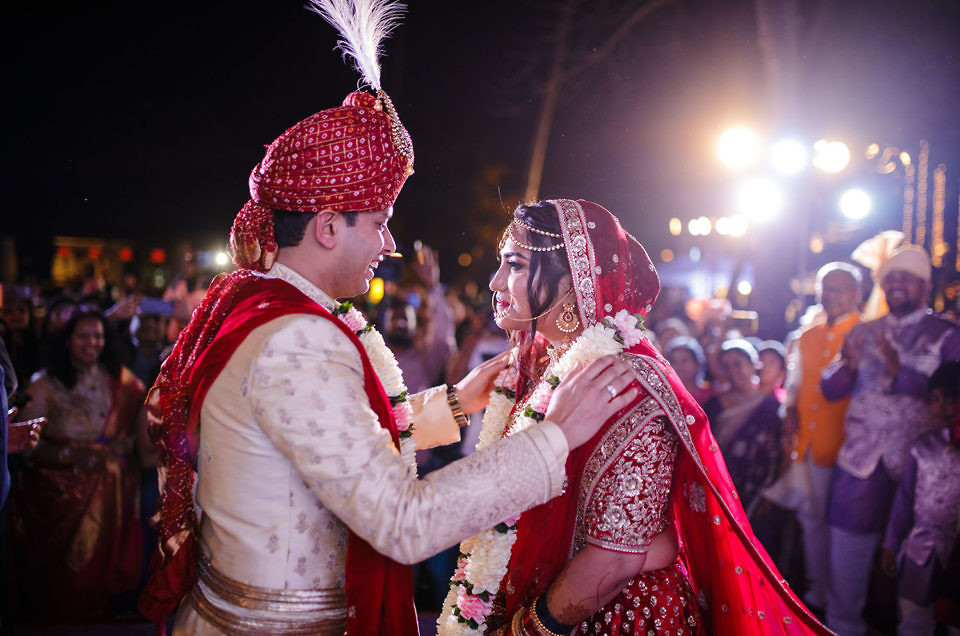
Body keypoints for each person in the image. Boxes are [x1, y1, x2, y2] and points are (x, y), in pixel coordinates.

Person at [139, 4, 636, 634]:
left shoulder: (264, 304)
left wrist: (454, 404)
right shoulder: (297, 341)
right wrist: (553, 438)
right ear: (326, 227)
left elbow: (330, 444)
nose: (388, 243)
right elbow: (403, 522)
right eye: (377, 223)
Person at [438, 199, 828, 635]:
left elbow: (617, 557)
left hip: (615, 615)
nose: (495, 281)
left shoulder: (623, 383)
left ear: (573, 280)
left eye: (514, 264)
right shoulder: (541, 366)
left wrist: (527, 630)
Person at [821, 244, 960, 636]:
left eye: (906, 278)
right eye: (890, 278)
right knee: (845, 552)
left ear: (925, 284)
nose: (897, 285)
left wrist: (904, 375)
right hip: (860, 460)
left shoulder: (947, 335)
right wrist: (846, 367)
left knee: (921, 560)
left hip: (927, 465)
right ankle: (841, 628)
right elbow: (829, 388)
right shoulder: (864, 330)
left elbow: (955, 396)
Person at [8, 309, 150, 620]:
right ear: (68, 341)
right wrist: (70, 457)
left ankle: (102, 599)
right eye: (83, 336)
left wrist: (120, 447)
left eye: (98, 336)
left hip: (107, 478)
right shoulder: (45, 384)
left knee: (112, 476)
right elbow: (22, 443)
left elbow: (137, 426)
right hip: (55, 482)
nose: (92, 343)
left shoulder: (121, 381)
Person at [763, 262, 862, 614]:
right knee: (811, 522)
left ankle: (842, 603)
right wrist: (789, 414)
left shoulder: (865, 332)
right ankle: (817, 594)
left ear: (857, 294)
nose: (832, 295)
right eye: (827, 288)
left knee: (844, 531)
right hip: (807, 445)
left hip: (849, 449)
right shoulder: (806, 336)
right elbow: (794, 389)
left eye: (840, 289)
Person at [880, 361, 960, 635]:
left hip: (955, 557)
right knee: (914, 620)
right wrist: (891, 544)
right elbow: (903, 502)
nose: (935, 408)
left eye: (942, 400)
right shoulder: (923, 448)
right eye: (933, 400)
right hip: (920, 551)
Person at [703, 339, 783, 513]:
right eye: (726, 366)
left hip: (756, 490)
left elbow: (777, 451)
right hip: (718, 486)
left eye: (737, 364)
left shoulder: (770, 405)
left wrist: (770, 492)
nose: (732, 371)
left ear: (753, 365)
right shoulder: (713, 405)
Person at [665, 335, 714, 406]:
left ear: (698, 364)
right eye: (674, 361)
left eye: (684, 360)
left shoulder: (710, 394)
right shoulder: (667, 396)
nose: (679, 366)